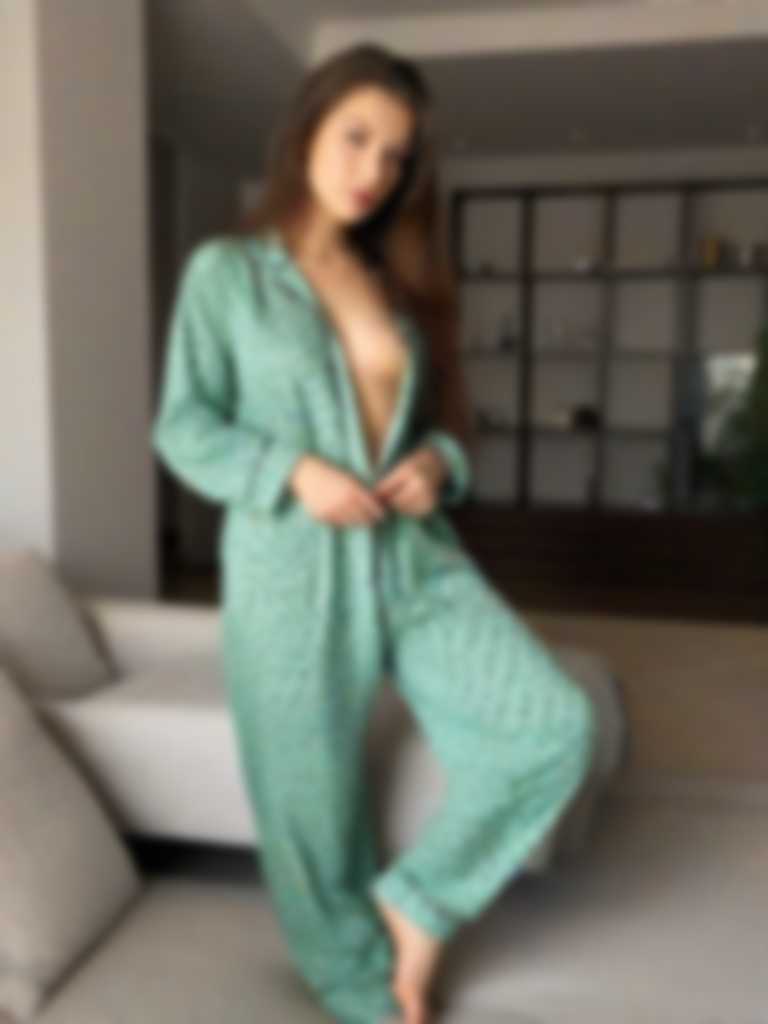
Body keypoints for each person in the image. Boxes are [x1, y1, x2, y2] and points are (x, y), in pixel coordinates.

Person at [151, 42, 597, 1024]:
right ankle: (362, 986)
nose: (373, 171)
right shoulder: (227, 274)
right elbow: (183, 426)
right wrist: (291, 471)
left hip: (414, 557)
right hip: (292, 570)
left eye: (395, 157)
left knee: (552, 726)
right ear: (307, 129)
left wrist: (438, 463)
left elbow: (443, 428)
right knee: (311, 804)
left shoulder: (396, 284)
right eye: (356, 138)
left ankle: (418, 902)